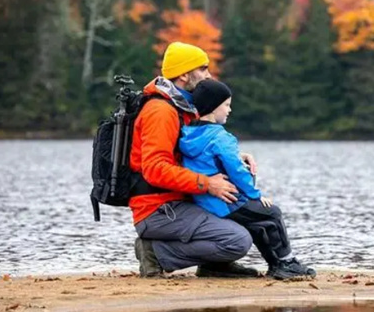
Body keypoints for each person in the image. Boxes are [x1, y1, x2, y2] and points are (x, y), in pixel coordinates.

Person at [130, 42, 259, 278]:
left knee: (244, 213)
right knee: (238, 240)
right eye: (203, 69)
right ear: (184, 75)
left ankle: (214, 264)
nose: (208, 75)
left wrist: (233, 157)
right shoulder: (161, 111)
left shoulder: (183, 107)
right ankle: (154, 252)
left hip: (182, 201)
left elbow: (193, 152)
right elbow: (154, 169)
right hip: (158, 209)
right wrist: (208, 183)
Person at [179, 79, 317, 280]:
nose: (230, 110)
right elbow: (236, 170)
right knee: (271, 214)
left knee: (258, 223)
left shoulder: (189, 134)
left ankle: (274, 265)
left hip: (203, 201)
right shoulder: (221, 137)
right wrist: (255, 195)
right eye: (226, 105)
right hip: (225, 201)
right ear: (212, 108)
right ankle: (285, 262)